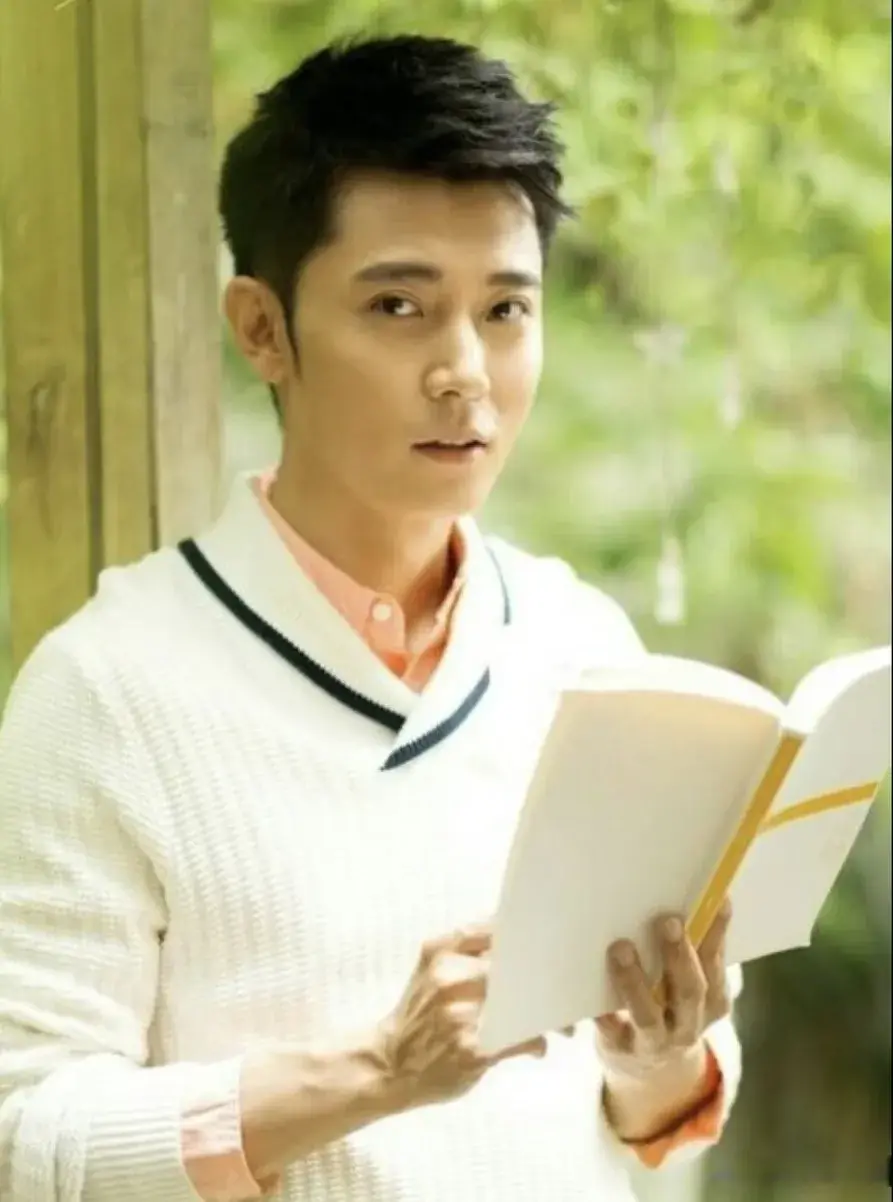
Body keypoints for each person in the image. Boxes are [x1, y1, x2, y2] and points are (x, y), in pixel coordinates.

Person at [0, 34, 743, 1202]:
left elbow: (644, 1120)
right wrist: (378, 1069)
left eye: (504, 309)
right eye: (397, 305)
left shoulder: (583, 645)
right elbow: (27, 1135)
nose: (464, 371)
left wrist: (653, 1052)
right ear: (261, 328)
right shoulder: (104, 688)